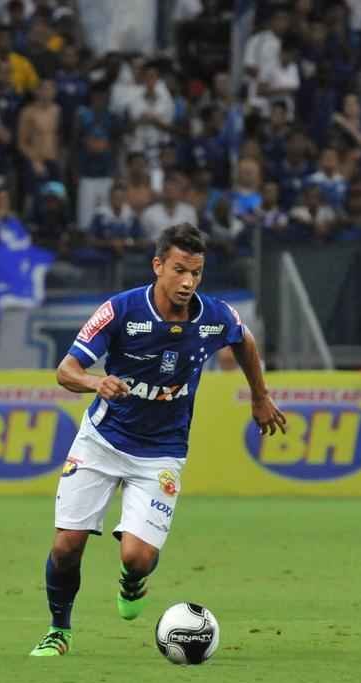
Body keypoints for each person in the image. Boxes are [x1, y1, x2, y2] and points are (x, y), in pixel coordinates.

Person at [29, 223, 287, 656]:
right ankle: (59, 630)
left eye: (197, 272)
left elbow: (243, 340)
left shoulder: (214, 316)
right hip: (100, 442)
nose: (188, 282)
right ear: (158, 266)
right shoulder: (121, 310)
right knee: (65, 544)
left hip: (161, 453)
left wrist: (260, 397)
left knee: (137, 557)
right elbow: (65, 370)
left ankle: (133, 582)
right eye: (180, 270)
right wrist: (97, 383)